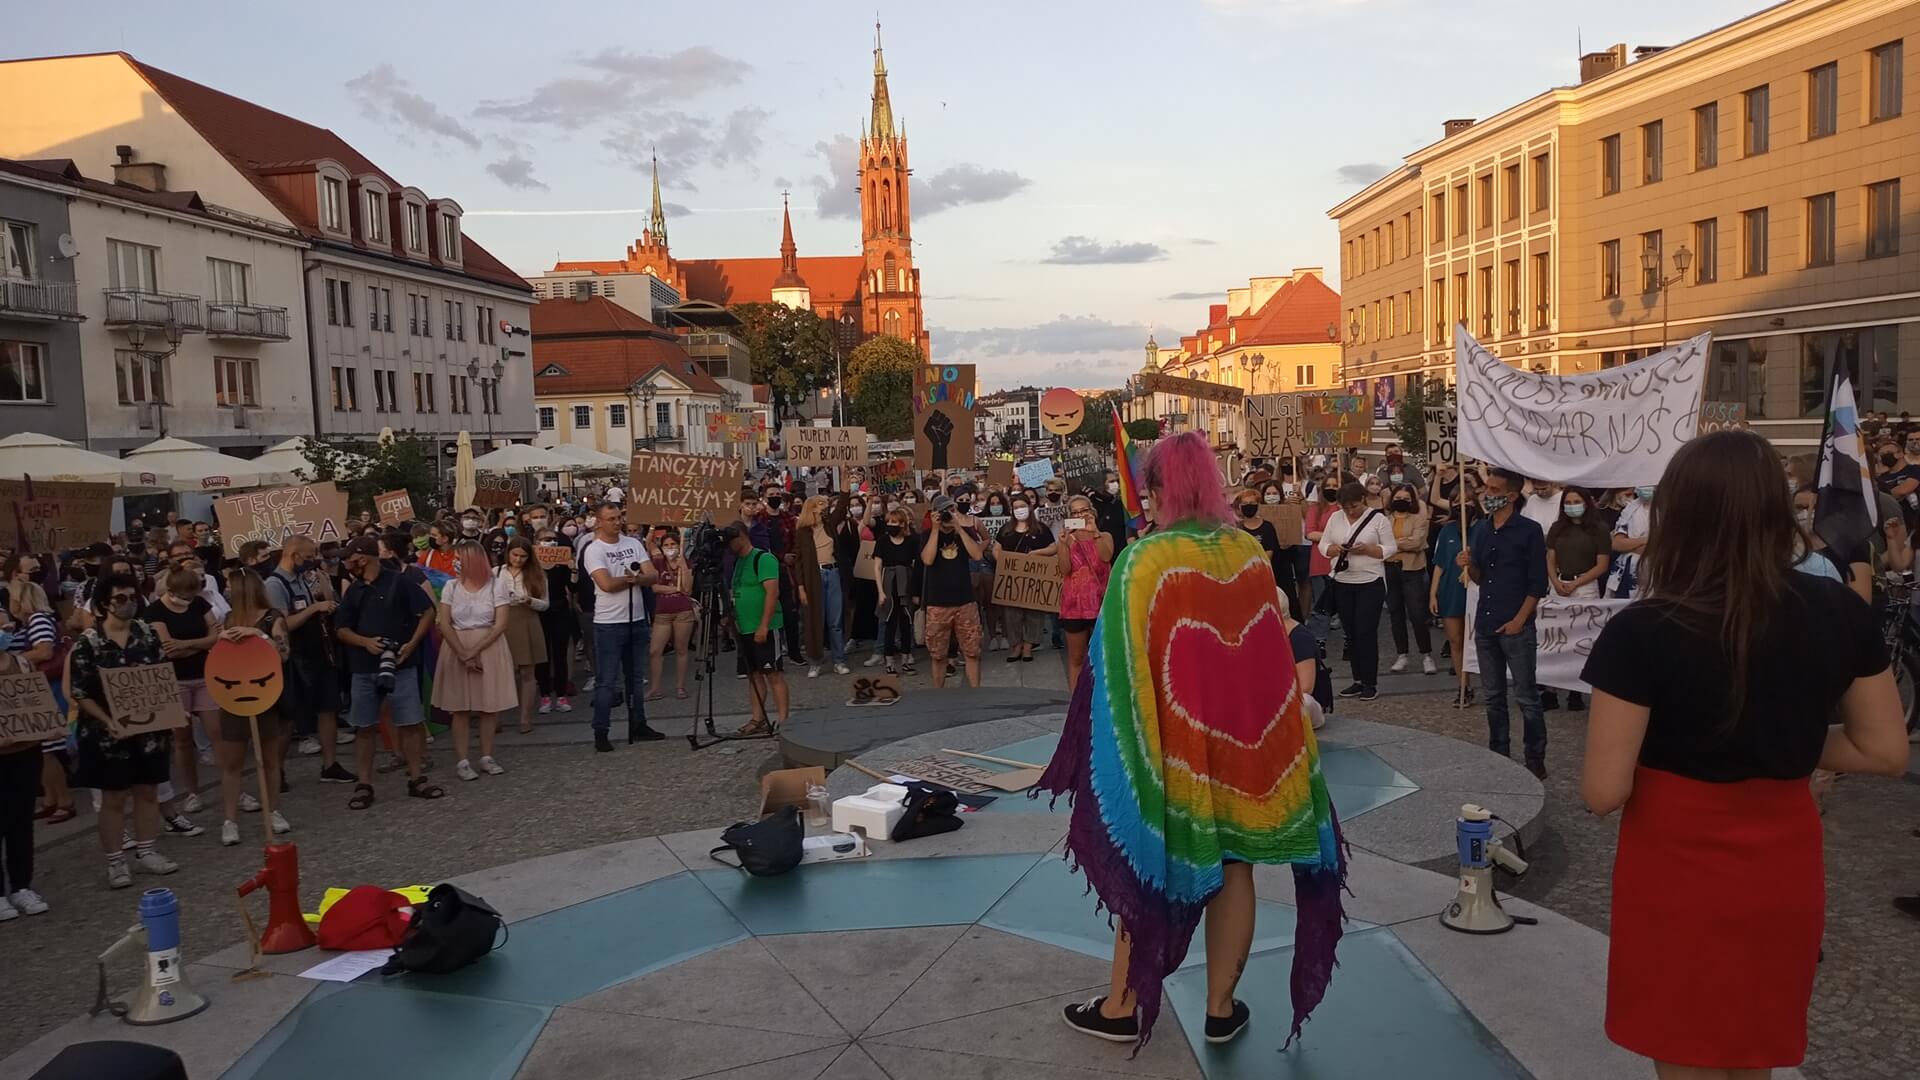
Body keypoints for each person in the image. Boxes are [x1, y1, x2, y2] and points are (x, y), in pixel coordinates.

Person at [1580, 430, 1909, 1079]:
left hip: (1676, 870)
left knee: (1686, 1053)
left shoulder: (1642, 630)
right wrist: (1784, 741)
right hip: (1782, 866)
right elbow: (1885, 750)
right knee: (1753, 1053)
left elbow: (1602, 790)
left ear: (1677, 514)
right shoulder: (1840, 610)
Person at [1042, 432, 1344, 1048]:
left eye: (1149, 489)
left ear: (1160, 490)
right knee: (1235, 866)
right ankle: (1221, 1007)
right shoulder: (1249, 554)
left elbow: (1117, 670)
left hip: (1173, 752)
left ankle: (1122, 1007)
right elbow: (1270, 658)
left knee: (1148, 860)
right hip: (1245, 748)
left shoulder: (1144, 560)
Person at [69, 573, 180, 888]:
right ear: (105, 603)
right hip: (106, 735)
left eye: (133, 597)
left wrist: (169, 708)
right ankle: (116, 861)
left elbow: (161, 676)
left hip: (149, 732)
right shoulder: (88, 642)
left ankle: (147, 852)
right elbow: (80, 691)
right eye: (121, 598)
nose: (129, 603)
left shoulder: (146, 634)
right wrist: (108, 721)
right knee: (113, 798)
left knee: (147, 791)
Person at [334, 535, 441, 807]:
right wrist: (364, 642)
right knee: (364, 727)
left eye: (352, 558)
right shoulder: (354, 591)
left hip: (401, 665)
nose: (349, 564)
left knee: (411, 723)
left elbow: (427, 612)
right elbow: (341, 629)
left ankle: (417, 777)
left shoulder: (400, 581)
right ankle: (364, 783)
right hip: (363, 668)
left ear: (365, 557)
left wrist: (411, 644)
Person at [1460, 469, 1551, 778]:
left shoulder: (1529, 530)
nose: (1487, 492)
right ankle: (1499, 752)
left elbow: (1538, 583)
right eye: (1486, 487)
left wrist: (1519, 620)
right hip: (1486, 623)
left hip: (1515, 625)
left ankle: (1535, 758)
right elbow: (1480, 577)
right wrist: (1468, 564)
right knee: (1494, 697)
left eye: (1494, 488)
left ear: (1512, 495)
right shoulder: (1482, 529)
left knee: (1526, 696)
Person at [212, 570, 292, 846]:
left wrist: (260, 634)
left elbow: (284, 655)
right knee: (232, 762)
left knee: (269, 759)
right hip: (234, 695)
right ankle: (230, 819)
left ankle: (272, 810)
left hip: (264, 694)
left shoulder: (273, 618)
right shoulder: (229, 619)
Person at [264, 537, 352, 781]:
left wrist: (322, 593)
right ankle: (276, 772)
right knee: (288, 719)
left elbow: (323, 601)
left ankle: (330, 765)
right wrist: (314, 609)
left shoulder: (304, 578)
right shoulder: (274, 584)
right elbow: (282, 624)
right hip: (295, 657)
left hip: (319, 652)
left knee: (328, 708)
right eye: (309, 556)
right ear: (294, 555)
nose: (313, 560)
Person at [581, 501, 661, 751]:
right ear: (600, 522)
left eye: (619, 517)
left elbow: (652, 576)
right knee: (606, 680)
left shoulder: (633, 543)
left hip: (636, 619)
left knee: (635, 677)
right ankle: (601, 730)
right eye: (611, 519)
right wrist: (633, 579)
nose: (617, 522)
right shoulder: (594, 550)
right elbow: (605, 584)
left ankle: (639, 722)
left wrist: (635, 579)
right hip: (609, 622)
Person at [144, 564, 221, 823]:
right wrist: (200, 646)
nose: (189, 599)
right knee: (183, 740)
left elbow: (215, 636)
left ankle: (231, 785)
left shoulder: (199, 605)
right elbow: (168, 648)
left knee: (217, 732)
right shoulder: (155, 610)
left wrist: (189, 645)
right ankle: (192, 791)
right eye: (186, 595)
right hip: (175, 679)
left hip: (203, 674)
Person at [435, 542, 517, 781]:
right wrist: (462, 653)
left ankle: (487, 756)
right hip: (456, 646)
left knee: (488, 706)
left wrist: (474, 652)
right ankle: (462, 760)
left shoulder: (496, 585)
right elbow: (444, 622)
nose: (455, 561)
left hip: (488, 645)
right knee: (459, 707)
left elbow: (501, 623)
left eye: (459, 557)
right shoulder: (451, 586)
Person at [1318, 481, 1395, 701]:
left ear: (1363, 499)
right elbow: (1324, 544)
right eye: (1346, 507)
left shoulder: (1378, 519)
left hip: (1370, 581)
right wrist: (1332, 549)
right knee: (1350, 632)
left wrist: (1369, 549)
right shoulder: (1335, 518)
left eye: (1353, 506)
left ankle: (1370, 682)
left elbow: (1391, 548)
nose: (1350, 511)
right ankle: (1357, 679)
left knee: (1365, 631)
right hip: (1343, 580)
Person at [0, 628, 48, 918]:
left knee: (21, 820)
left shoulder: (23, 664)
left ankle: (21, 886)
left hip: (26, 752)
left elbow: (37, 702)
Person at [726, 523, 790, 734]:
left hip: (765, 626)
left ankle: (783, 719)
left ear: (743, 536)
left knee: (773, 673)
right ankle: (757, 717)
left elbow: (772, 593)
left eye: (732, 539)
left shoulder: (762, 559)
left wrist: (763, 625)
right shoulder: (738, 562)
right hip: (744, 628)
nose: (729, 545)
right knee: (754, 675)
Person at [921, 495, 985, 688]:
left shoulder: (964, 531)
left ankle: (975, 692)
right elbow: (928, 559)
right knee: (938, 655)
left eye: (952, 510)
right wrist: (934, 529)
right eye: (945, 512)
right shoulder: (927, 534)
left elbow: (977, 554)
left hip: (964, 601)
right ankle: (938, 695)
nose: (949, 515)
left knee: (972, 651)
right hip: (938, 603)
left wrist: (958, 528)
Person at [1056, 493, 1113, 691]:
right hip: (1074, 606)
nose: (1081, 514)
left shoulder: (1104, 536)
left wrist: (1094, 532)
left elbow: (1106, 557)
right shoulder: (1067, 539)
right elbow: (1064, 570)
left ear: (1092, 512)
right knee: (1076, 658)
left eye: (1084, 510)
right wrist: (1063, 545)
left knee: (1103, 656)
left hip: (1100, 604)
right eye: (1076, 512)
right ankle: (1076, 703)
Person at [494, 538, 550, 734]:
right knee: (502, 672)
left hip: (527, 619)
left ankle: (525, 717)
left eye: (523, 556)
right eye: (515, 555)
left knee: (528, 672)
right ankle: (496, 718)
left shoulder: (537, 574)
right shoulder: (497, 572)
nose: (518, 559)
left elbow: (545, 604)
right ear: (508, 553)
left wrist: (529, 600)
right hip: (504, 619)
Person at [994, 492, 1056, 663]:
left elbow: (1053, 548)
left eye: (1022, 506)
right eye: (1016, 508)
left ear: (1029, 506)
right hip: (1012, 579)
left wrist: (1037, 553)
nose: (1019, 510)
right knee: (1012, 614)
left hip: (1035, 578)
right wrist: (1005, 561)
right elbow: (996, 549)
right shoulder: (1006, 530)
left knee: (1034, 613)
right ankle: (1016, 646)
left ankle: (1029, 646)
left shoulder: (1041, 529)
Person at [1383, 482, 1435, 676]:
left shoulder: (1419, 518)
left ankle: (1426, 654)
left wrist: (1392, 544)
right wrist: (1400, 544)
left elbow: (1417, 542)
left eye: (1406, 499)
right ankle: (1402, 654)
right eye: (1398, 498)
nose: (1401, 501)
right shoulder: (1385, 519)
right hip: (1390, 569)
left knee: (1417, 614)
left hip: (1412, 569)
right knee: (1395, 614)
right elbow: (1380, 542)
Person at [794, 495, 846, 677]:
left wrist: (846, 489)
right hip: (813, 578)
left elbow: (840, 509)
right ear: (811, 508)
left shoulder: (829, 524)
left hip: (832, 573)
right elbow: (798, 562)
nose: (824, 508)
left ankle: (839, 660)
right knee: (814, 620)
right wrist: (800, 587)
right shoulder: (802, 532)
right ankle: (815, 661)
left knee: (836, 621)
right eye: (820, 504)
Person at [646, 531, 696, 700]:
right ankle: (655, 688)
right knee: (655, 650)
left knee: (681, 649)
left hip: (683, 611)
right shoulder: (657, 563)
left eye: (673, 545)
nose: (670, 548)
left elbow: (688, 589)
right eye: (666, 545)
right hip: (662, 612)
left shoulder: (686, 562)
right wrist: (675, 589)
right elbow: (655, 588)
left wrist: (683, 567)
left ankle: (680, 687)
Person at [533, 530, 578, 713]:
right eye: (545, 540)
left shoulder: (562, 563)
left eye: (553, 540)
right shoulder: (533, 565)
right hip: (539, 611)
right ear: (537, 542)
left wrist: (573, 570)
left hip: (559, 609)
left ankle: (561, 695)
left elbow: (572, 587)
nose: (549, 543)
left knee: (560, 655)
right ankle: (544, 695)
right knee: (542, 656)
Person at [871, 507, 920, 675]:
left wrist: (915, 592)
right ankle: (889, 661)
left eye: (894, 522)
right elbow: (877, 567)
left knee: (906, 622)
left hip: (906, 582)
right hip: (888, 582)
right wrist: (880, 591)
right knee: (889, 623)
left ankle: (906, 659)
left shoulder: (911, 541)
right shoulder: (882, 541)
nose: (890, 525)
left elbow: (916, 565)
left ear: (902, 524)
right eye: (889, 522)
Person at [1609, 484, 1654, 598]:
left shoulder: (1668, 510)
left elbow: (1664, 546)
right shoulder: (1629, 510)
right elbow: (1617, 544)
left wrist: (1630, 543)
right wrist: (1648, 540)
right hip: (1625, 574)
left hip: (1655, 574)